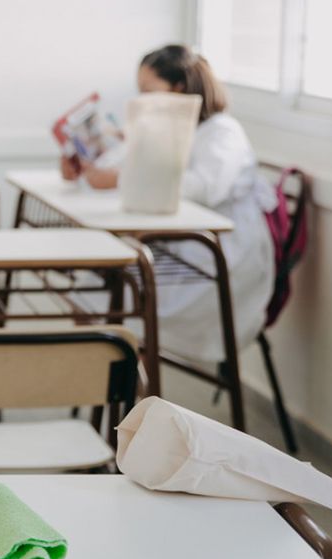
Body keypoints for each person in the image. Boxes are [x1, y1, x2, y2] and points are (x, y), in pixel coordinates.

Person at [61, 44, 277, 364]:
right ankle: (110, 387)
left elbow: (204, 188)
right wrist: (82, 165)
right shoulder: (163, 127)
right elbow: (121, 164)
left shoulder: (221, 132)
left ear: (179, 87)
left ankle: (120, 386)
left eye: (149, 90)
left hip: (217, 256)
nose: (142, 100)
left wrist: (120, 178)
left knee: (111, 294)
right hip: (177, 245)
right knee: (92, 289)